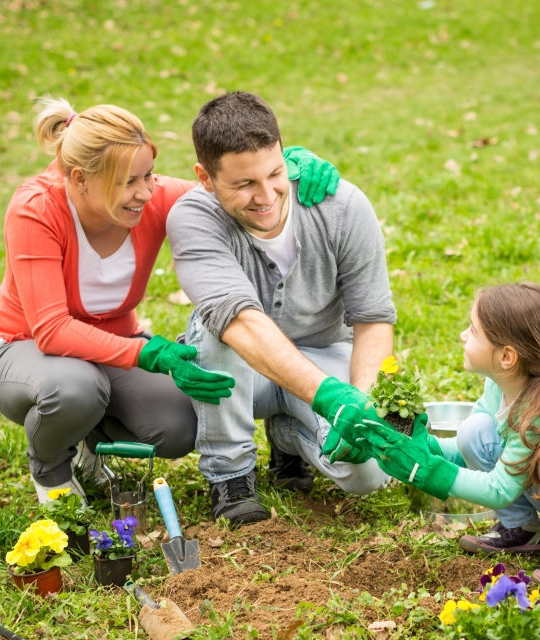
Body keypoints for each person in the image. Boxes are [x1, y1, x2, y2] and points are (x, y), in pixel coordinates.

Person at [0, 97, 338, 505]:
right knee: (76, 389)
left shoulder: (154, 197)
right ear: (79, 179)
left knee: (180, 426)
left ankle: (85, 440)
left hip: (110, 350)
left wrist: (288, 167)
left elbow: (225, 192)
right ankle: (52, 470)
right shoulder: (36, 209)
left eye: (149, 175)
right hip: (22, 348)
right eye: (128, 182)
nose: (146, 192)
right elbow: (52, 330)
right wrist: (149, 353)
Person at [167, 91, 396, 527]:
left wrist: (359, 406)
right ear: (205, 177)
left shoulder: (342, 206)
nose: (267, 195)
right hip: (239, 372)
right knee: (217, 329)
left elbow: (373, 319)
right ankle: (231, 475)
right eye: (244, 184)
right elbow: (242, 324)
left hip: (322, 353)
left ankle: (288, 437)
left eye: (275, 174)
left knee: (367, 472)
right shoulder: (193, 219)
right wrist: (330, 397)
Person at [345, 282, 540, 592]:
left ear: (506, 357)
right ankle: (522, 529)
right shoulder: (501, 386)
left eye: (473, 331)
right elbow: (467, 447)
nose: (463, 335)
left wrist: (429, 472)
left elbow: (499, 489)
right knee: (476, 432)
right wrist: (423, 446)